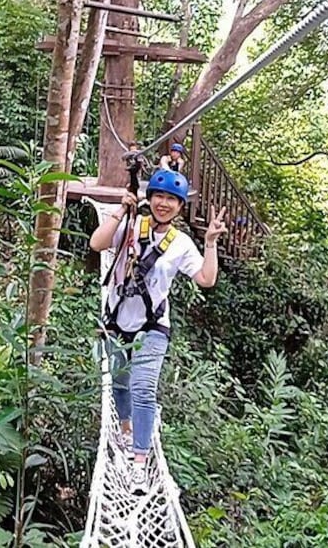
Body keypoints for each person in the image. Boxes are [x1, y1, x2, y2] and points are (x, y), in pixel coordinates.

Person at [89, 168, 227, 495]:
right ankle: (124, 429)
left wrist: (210, 244)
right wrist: (122, 209)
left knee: (143, 388)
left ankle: (140, 462)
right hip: (116, 321)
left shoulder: (180, 244)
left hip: (152, 327)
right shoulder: (131, 224)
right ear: (149, 198)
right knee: (120, 386)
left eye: (171, 199)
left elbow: (206, 279)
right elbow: (97, 244)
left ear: (180, 206)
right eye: (159, 196)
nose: (164, 203)